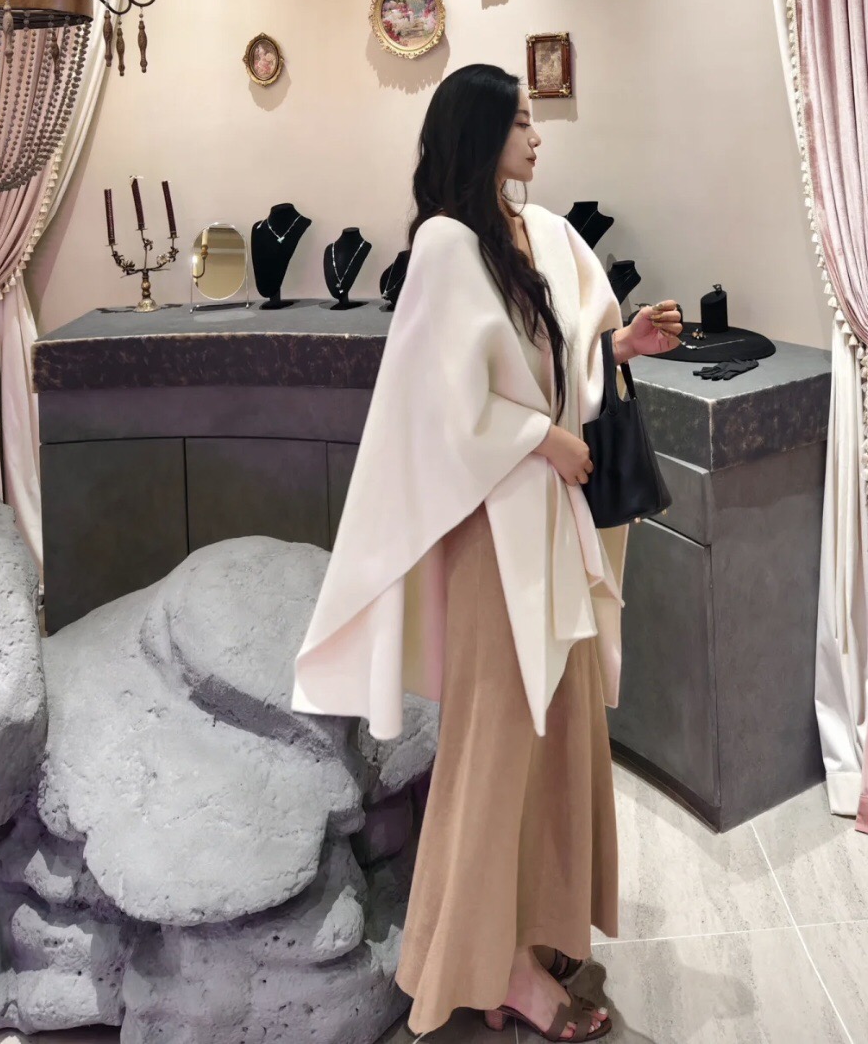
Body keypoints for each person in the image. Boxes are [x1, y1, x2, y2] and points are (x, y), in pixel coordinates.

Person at [293, 63, 682, 1041]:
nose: (537, 135)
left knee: (555, 742)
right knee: (498, 747)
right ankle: (489, 964)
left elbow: (549, 362)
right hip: (495, 536)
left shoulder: (527, 234)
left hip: (547, 524)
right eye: (520, 121)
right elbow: (440, 400)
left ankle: (532, 932)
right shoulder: (444, 243)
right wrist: (539, 438)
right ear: (479, 133)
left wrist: (618, 347)